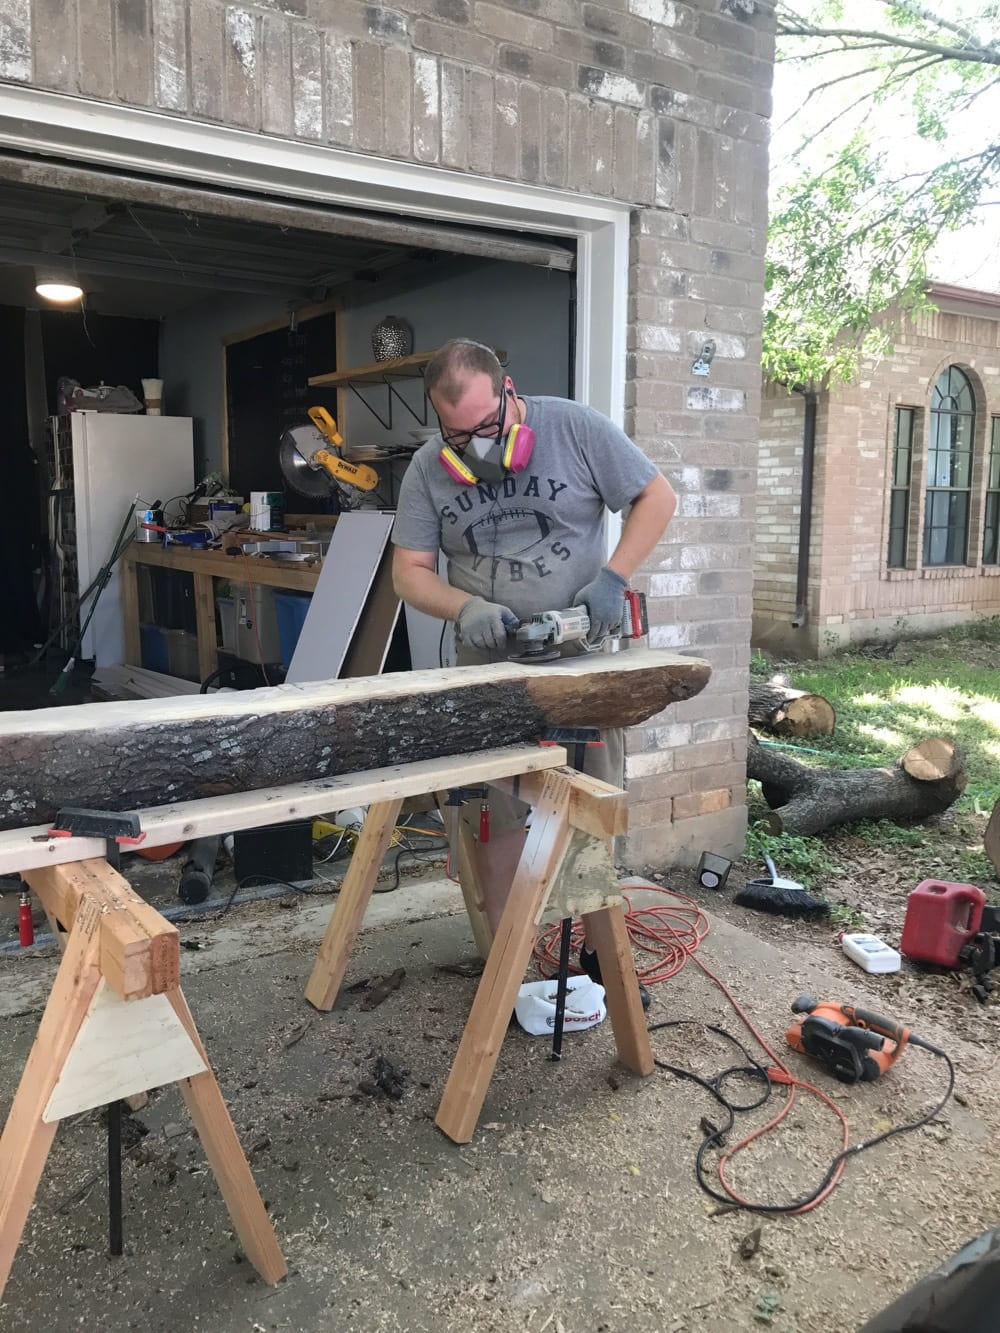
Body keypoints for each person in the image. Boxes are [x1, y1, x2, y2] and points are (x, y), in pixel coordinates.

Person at [392, 338, 676, 953]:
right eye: (458, 435)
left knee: (590, 816)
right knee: (495, 818)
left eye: (488, 425)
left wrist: (613, 577)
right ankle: (508, 965)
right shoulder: (426, 468)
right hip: (487, 674)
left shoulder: (573, 428)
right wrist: (462, 607)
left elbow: (658, 497)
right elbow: (408, 570)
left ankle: (604, 963)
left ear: (509, 391)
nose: (478, 445)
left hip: (580, 667)